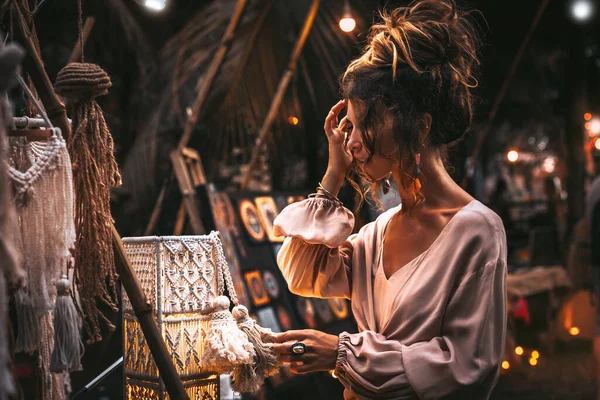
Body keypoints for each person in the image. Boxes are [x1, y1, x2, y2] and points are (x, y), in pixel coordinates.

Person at [271, 1, 508, 399]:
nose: (354, 141)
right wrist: (333, 177)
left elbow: (467, 368)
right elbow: (302, 275)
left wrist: (343, 354)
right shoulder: (376, 233)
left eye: (366, 123)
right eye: (351, 125)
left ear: (418, 126)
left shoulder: (477, 231)